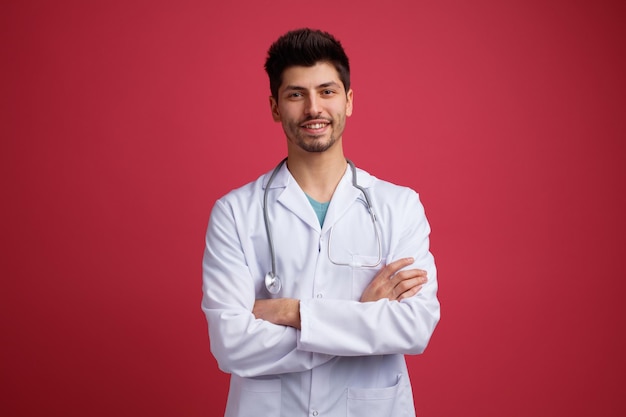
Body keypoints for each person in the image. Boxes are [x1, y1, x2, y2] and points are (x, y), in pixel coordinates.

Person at [201, 28, 440, 417]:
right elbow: (231, 345)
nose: (314, 108)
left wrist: (292, 312)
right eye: (296, 94)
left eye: (327, 92)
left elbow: (414, 328)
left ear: (348, 101)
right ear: (276, 107)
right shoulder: (234, 213)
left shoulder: (399, 206)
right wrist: (363, 317)